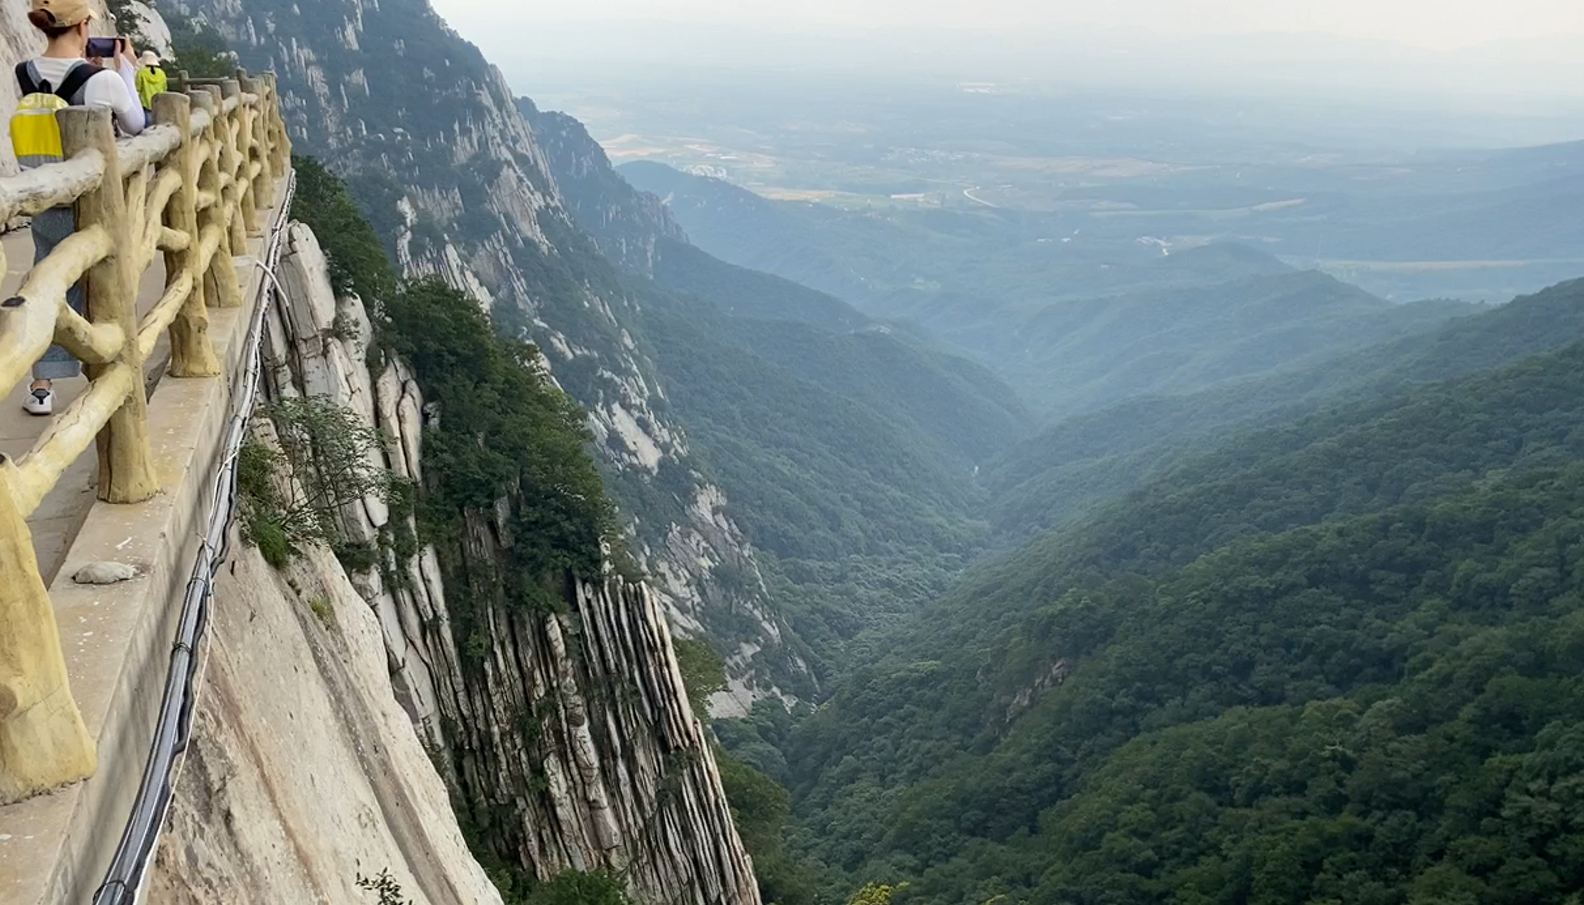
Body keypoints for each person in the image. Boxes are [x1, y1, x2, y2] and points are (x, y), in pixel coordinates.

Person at [18, 0, 145, 416]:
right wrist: (125, 67)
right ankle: (109, 362)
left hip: (41, 186)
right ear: (84, 25)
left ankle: (41, 384)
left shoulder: (25, 73)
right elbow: (135, 125)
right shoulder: (101, 79)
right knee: (100, 275)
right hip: (89, 196)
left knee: (50, 274)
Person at [134, 49, 165, 120]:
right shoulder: (161, 73)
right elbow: (164, 87)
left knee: (147, 125)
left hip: (145, 102)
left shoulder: (141, 73)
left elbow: (138, 88)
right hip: (158, 102)